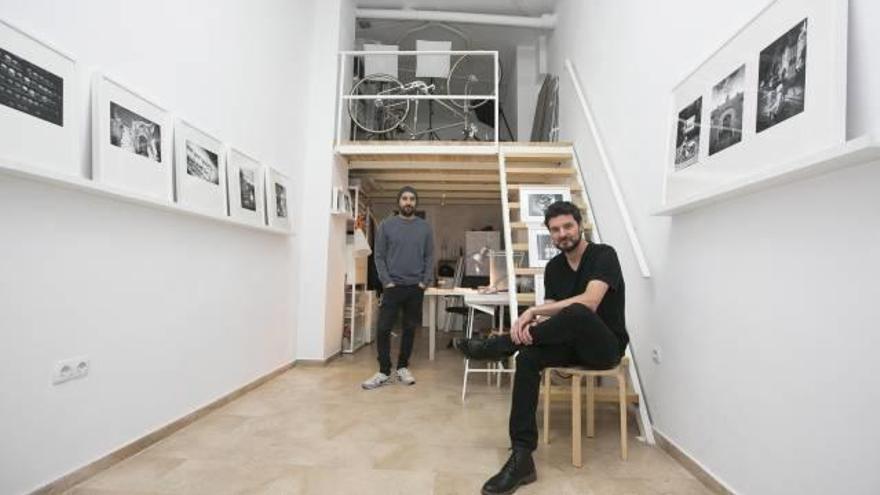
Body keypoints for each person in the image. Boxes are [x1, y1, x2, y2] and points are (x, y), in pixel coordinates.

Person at [454, 200, 628, 495]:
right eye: (555, 230)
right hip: (571, 346)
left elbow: (590, 302)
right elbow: (551, 310)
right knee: (529, 356)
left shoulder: (603, 255)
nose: (563, 234)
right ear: (550, 234)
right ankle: (522, 456)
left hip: (605, 347)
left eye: (568, 226)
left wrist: (533, 312)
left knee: (578, 311)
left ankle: (499, 345)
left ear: (580, 225)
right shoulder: (554, 267)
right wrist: (529, 324)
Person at [362, 186, 434, 390]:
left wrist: (424, 282)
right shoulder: (386, 225)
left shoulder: (425, 228)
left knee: (410, 329)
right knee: (383, 328)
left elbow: (429, 256)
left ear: (416, 203)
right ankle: (384, 371)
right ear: (399, 202)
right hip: (393, 286)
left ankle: (402, 367)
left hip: (415, 287)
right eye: (404, 198)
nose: (408, 202)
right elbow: (379, 256)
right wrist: (387, 282)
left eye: (412, 198)